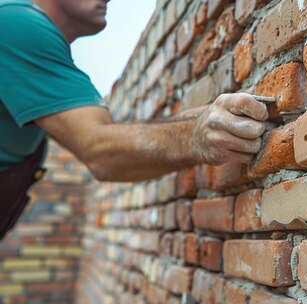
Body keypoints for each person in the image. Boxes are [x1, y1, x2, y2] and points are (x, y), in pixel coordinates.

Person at [0, 0, 269, 237]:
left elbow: (110, 145)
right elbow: (100, 151)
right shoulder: (15, 26)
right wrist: (196, 135)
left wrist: (200, 120)